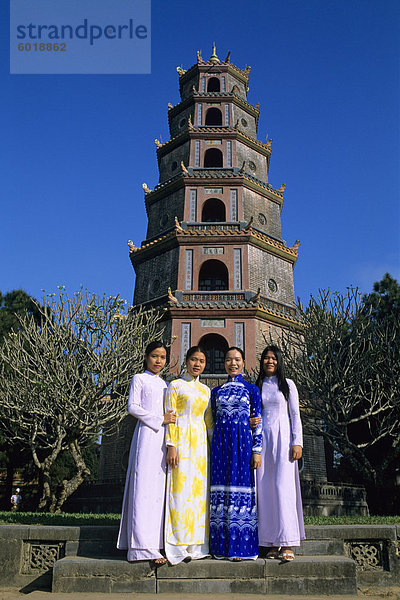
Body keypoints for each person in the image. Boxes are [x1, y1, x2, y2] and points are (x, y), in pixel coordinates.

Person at [117, 341, 176, 564]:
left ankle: (155, 544)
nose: (158, 360)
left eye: (162, 357)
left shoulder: (165, 384)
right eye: (154, 356)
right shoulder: (138, 379)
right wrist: (159, 419)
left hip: (162, 439)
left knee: (157, 491)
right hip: (145, 436)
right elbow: (133, 406)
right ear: (146, 357)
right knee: (142, 488)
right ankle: (139, 547)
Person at [209, 347, 262, 560]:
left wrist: (256, 451)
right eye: (229, 359)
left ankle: (242, 547)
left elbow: (258, 422)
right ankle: (220, 548)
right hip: (221, 446)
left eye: (237, 359)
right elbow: (212, 421)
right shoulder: (216, 392)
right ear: (224, 363)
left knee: (241, 491)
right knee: (221, 492)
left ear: (243, 362)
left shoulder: (252, 390)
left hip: (243, 445)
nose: (233, 363)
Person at [255, 344, 305, 561]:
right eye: (266, 358)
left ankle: (287, 542)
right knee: (264, 489)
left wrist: (297, 442)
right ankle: (270, 542)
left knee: (282, 487)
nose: (270, 361)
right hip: (263, 440)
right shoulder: (257, 385)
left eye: (274, 358)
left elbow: (295, 414)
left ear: (280, 361)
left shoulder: (288, 385)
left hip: (284, 439)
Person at [164, 346, 211, 565]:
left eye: (201, 361)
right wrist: (171, 445)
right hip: (181, 440)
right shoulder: (175, 385)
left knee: (198, 492)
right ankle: (178, 543)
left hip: (200, 445)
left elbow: (209, 422)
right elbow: (171, 416)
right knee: (180, 490)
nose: (197, 364)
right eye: (193, 359)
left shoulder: (206, 390)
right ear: (186, 361)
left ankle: (195, 544)